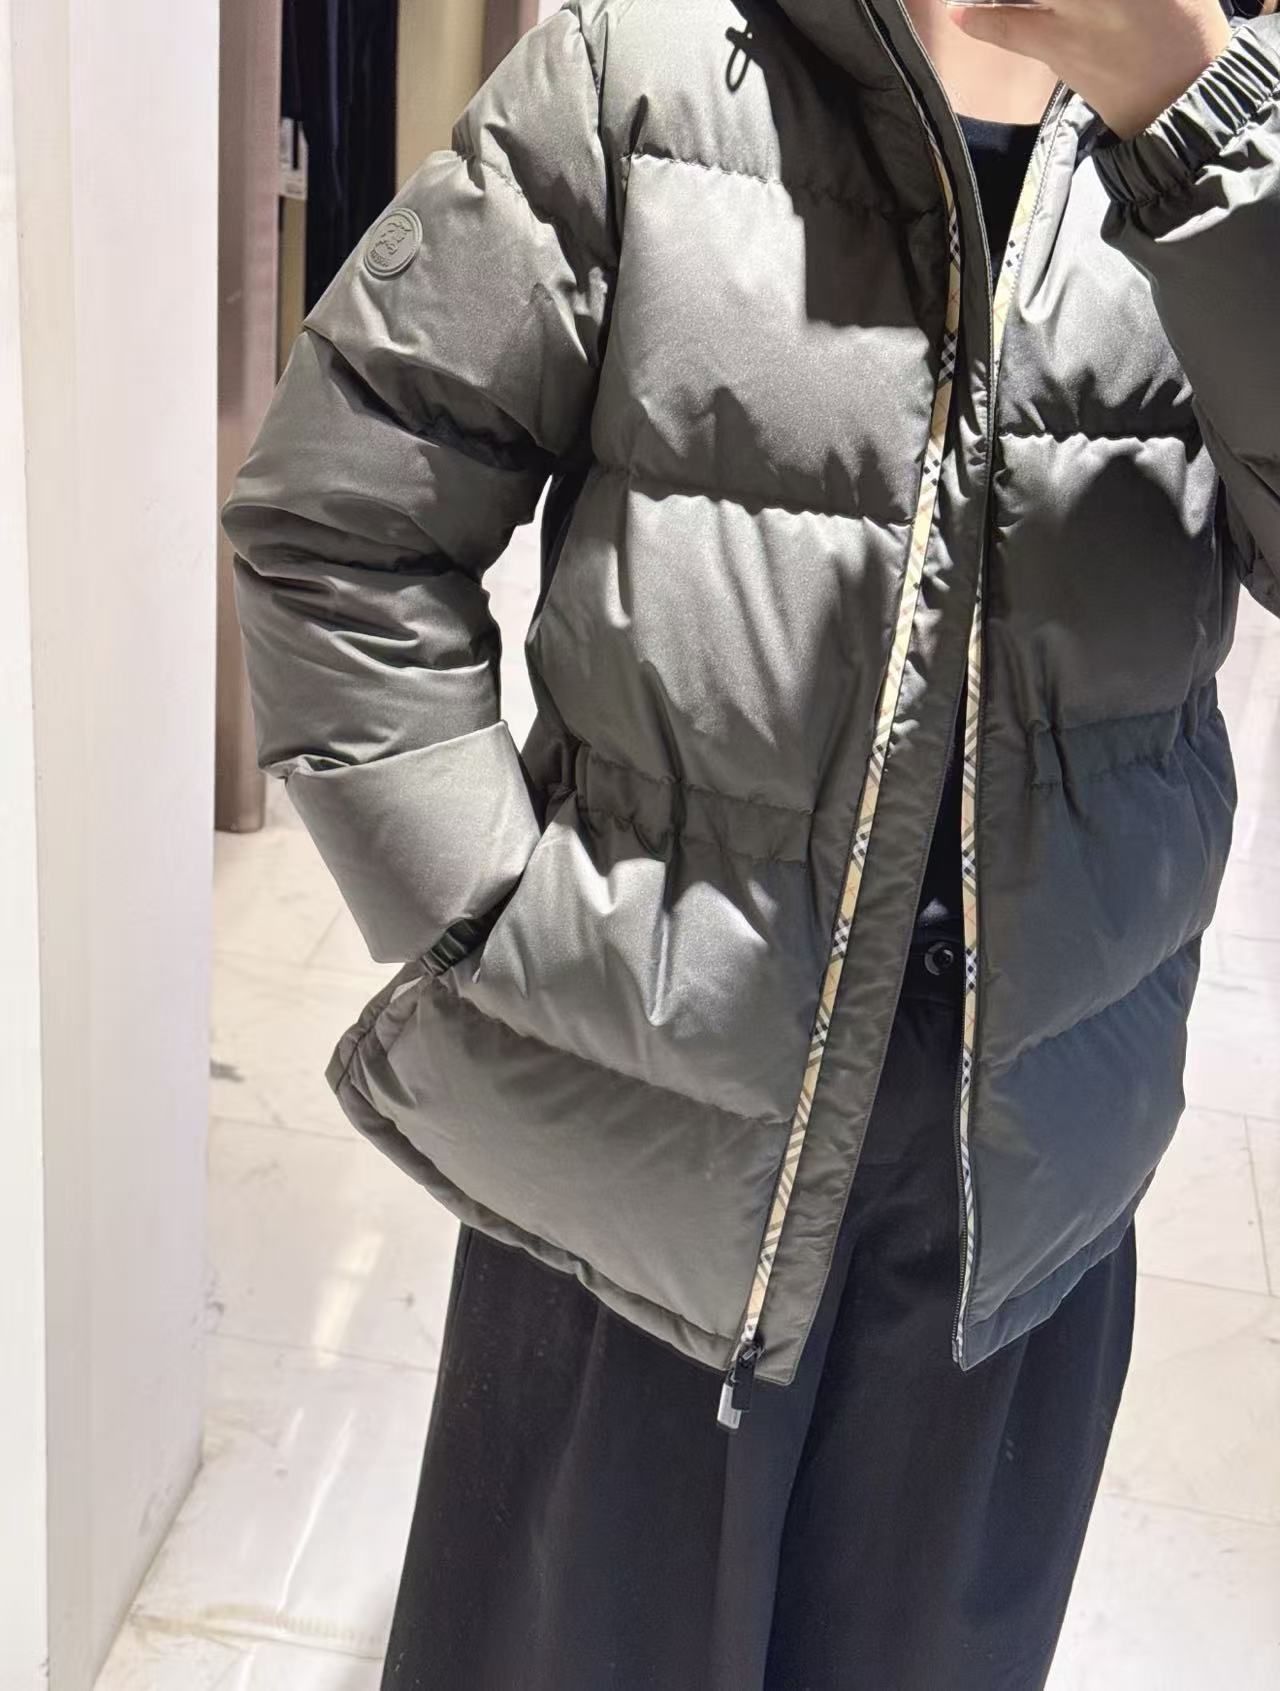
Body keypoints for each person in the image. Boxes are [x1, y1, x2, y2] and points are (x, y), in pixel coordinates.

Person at [220, 1, 1280, 1684]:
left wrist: (1197, 126)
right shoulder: (636, 70)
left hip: (1026, 1188)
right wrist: (493, 928)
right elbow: (336, 530)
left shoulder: (1245, 143)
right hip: (638, 1160)